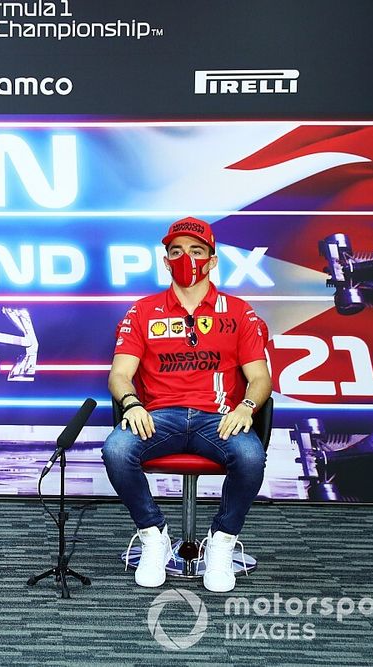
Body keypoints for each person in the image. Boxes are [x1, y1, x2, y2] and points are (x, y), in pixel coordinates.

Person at [101, 217, 271, 592]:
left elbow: (261, 379)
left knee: (250, 456)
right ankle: (154, 536)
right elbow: (119, 375)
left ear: (212, 260)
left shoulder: (239, 312)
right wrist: (131, 404)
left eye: (196, 251)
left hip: (220, 418)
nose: (186, 259)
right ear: (165, 261)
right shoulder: (143, 311)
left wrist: (245, 407)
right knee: (116, 449)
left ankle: (222, 543)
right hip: (161, 417)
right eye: (176, 252)